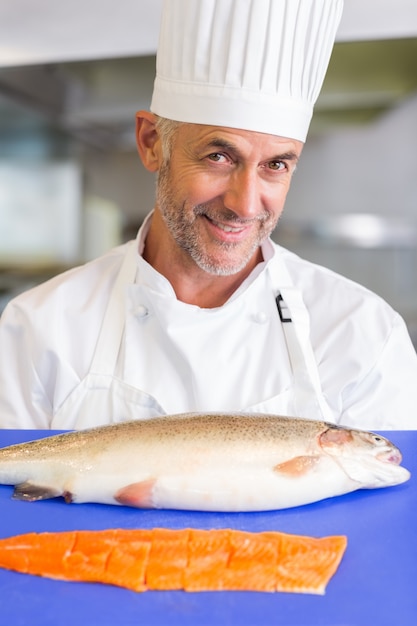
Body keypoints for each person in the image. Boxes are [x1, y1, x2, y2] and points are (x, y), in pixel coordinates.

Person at [1, 0, 417, 431]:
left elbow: (391, 495)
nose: (246, 204)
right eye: (219, 156)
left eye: (275, 165)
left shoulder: (362, 335)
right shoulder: (39, 328)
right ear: (150, 142)